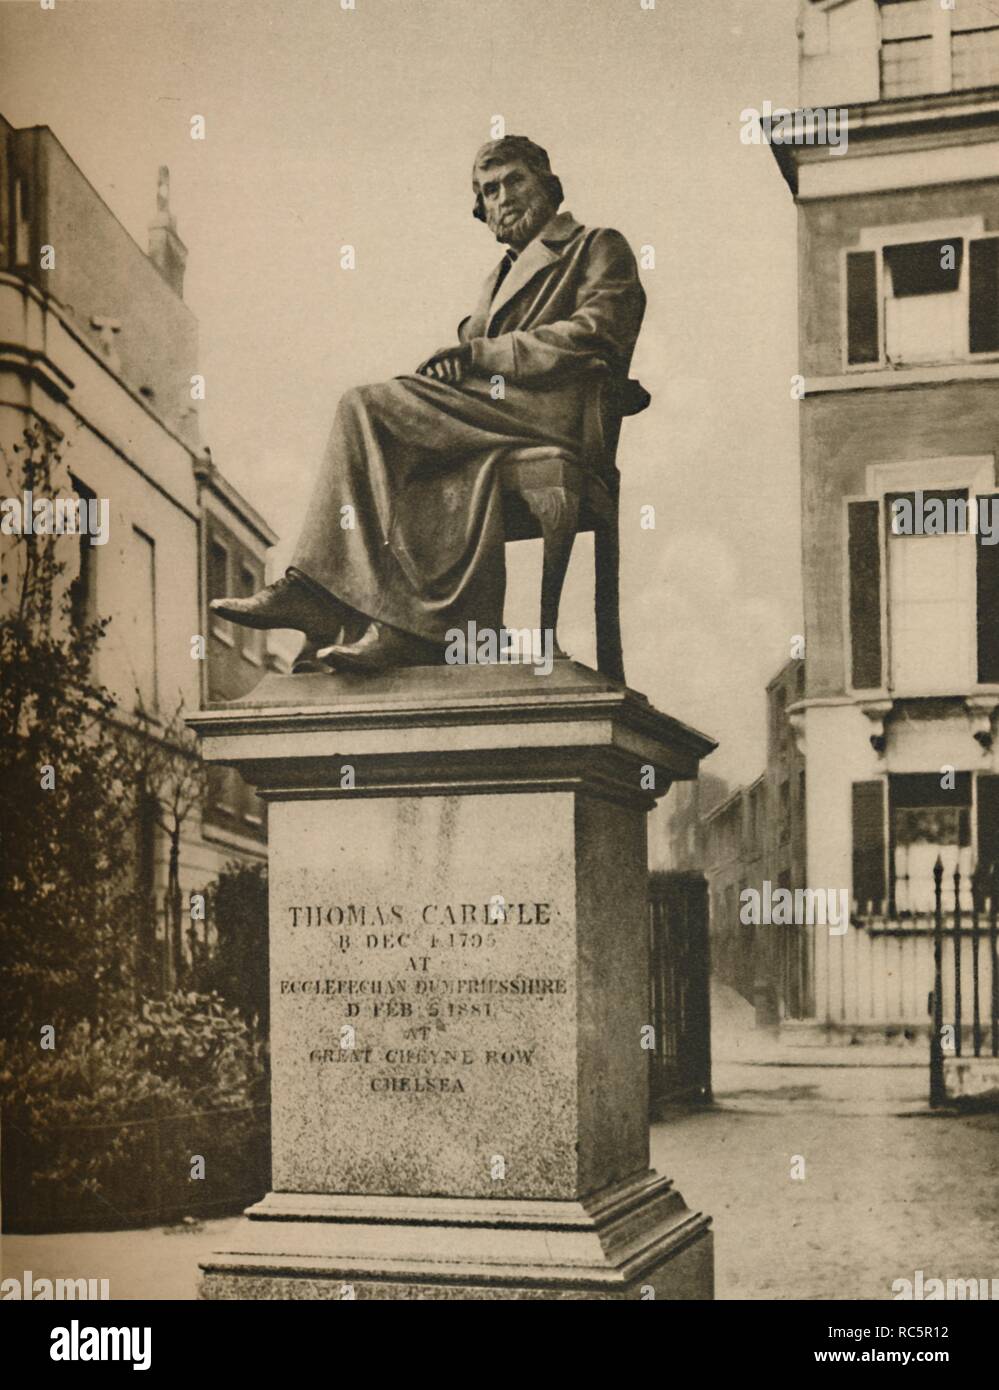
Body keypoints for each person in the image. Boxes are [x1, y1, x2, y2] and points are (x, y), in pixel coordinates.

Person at [211, 135, 646, 673]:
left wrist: (478, 354)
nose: (504, 197)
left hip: (555, 413)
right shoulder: (496, 279)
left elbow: (595, 332)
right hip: (488, 415)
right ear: (482, 211)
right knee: (398, 447)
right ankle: (408, 628)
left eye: (516, 181)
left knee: (364, 407)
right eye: (490, 190)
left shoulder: (597, 245)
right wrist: (458, 364)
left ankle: (322, 596)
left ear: (549, 187)